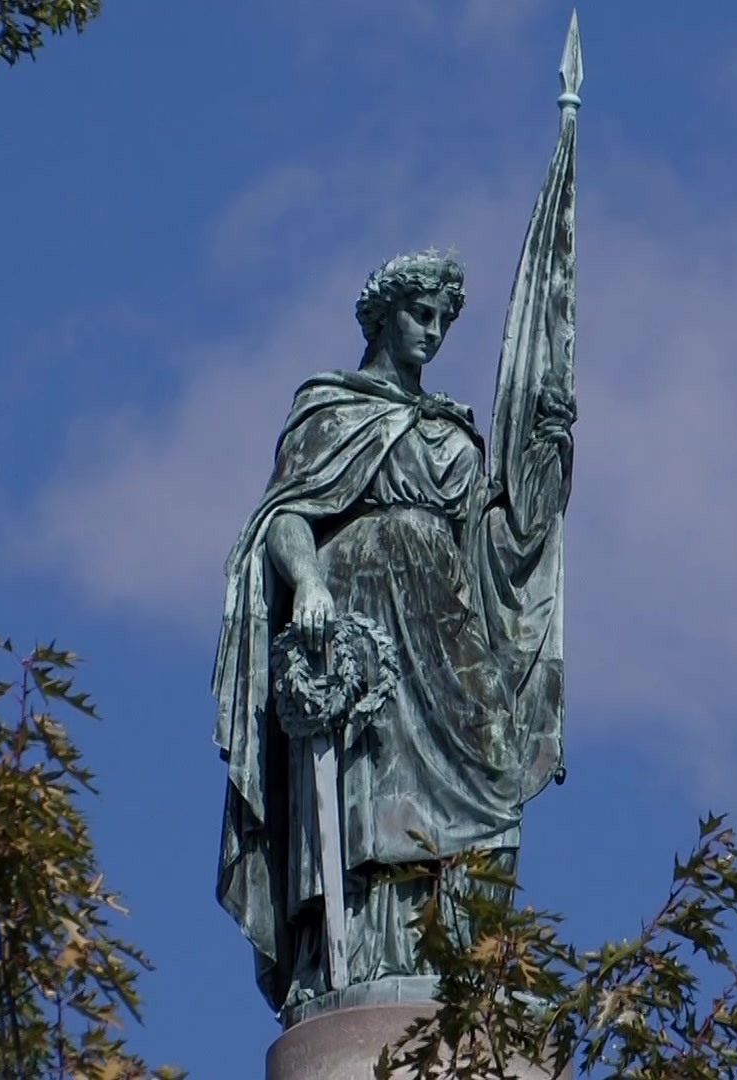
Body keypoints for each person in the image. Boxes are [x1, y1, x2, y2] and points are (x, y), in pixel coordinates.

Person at [213, 248, 571, 1018]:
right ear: (380, 315)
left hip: (445, 627)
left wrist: (544, 457)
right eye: (421, 313)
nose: (435, 331)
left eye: (445, 319)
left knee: (495, 773)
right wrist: (307, 581)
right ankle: (364, 954)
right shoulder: (332, 408)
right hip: (365, 631)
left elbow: (500, 548)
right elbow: (286, 518)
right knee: (368, 801)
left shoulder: (451, 429)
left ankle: (470, 950)